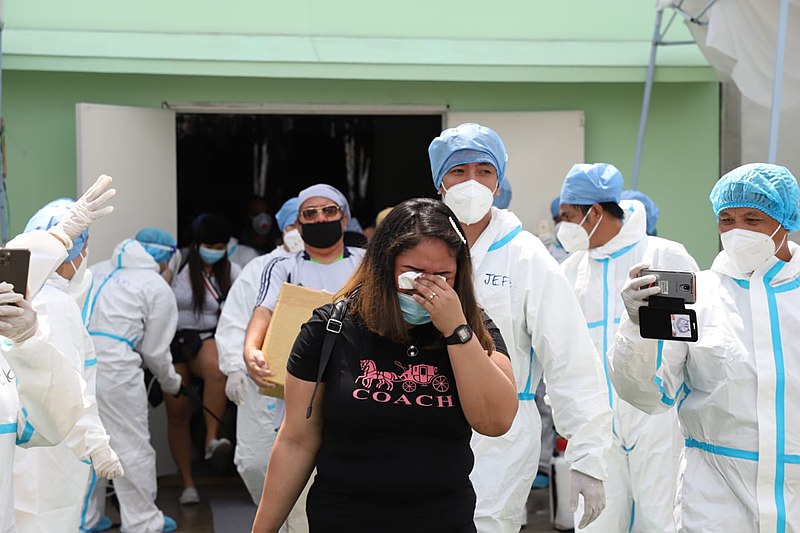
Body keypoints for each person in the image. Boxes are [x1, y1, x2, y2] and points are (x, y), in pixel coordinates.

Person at [251, 198, 518, 533]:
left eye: (442, 277)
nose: (427, 288)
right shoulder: (330, 328)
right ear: (384, 265)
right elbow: (296, 441)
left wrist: (456, 330)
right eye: (413, 276)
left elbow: (496, 421)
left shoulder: (473, 330)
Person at [428, 123, 611, 533]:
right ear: (439, 180)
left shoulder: (525, 255)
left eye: (484, 171)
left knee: (485, 524)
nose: (472, 182)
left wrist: (587, 456)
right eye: (459, 171)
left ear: (498, 182)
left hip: (501, 438)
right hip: (420, 422)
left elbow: (569, 358)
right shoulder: (417, 244)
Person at [610, 163, 800, 532]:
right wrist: (635, 327)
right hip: (715, 497)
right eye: (726, 219)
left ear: (785, 221)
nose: (737, 231)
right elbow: (649, 394)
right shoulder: (701, 296)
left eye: (752, 219)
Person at [557, 163, 699, 532]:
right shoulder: (571, 271)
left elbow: (693, 336)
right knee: (596, 522)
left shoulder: (664, 255)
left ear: (596, 212)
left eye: (569, 216)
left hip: (658, 416)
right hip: (595, 423)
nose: (563, 226)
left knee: (662, 517)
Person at [244, 184, 365, 531]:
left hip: (357, 397)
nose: (320, 219)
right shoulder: (283, 265)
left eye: (328, 211)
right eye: (309, 214)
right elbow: (263, 314)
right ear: (297, 224)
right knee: (301, 511)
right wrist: (251, 349)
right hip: (301, 401)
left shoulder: (366, 263)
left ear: (344, 219)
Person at [1, 175, 116, 533]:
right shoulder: (57, 304)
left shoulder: (34, 300)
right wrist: (93, 441)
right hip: (48, 449)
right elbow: (61, 386)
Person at [81, 228, 184, 533]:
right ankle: (142, 522)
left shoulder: (96, 269)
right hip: (116, 372)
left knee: (85, 443)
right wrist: (172, 383)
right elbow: (155, 351)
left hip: (78, 365)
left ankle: (83, 519)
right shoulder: (155, 285)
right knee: (131, 446)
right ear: (166, 258)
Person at [217, 197, 300, 505]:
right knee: (256, 461)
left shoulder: (337, 267)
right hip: (263, 379)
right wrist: (234, 367)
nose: (297, 231)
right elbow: (234, 321)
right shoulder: (260, 269)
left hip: (317, 383)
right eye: (291, 224)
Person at [167, 213, 240, 505]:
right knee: (178, 412)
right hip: (171, 339)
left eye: (221, 245)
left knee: (217, 367)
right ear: (196, 244)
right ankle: (187, 482)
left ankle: (212, 439)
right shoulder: (179, 264)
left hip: (207, 336)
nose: (215, 250)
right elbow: (158, 294)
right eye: (210, 244)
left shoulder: (232, 271)